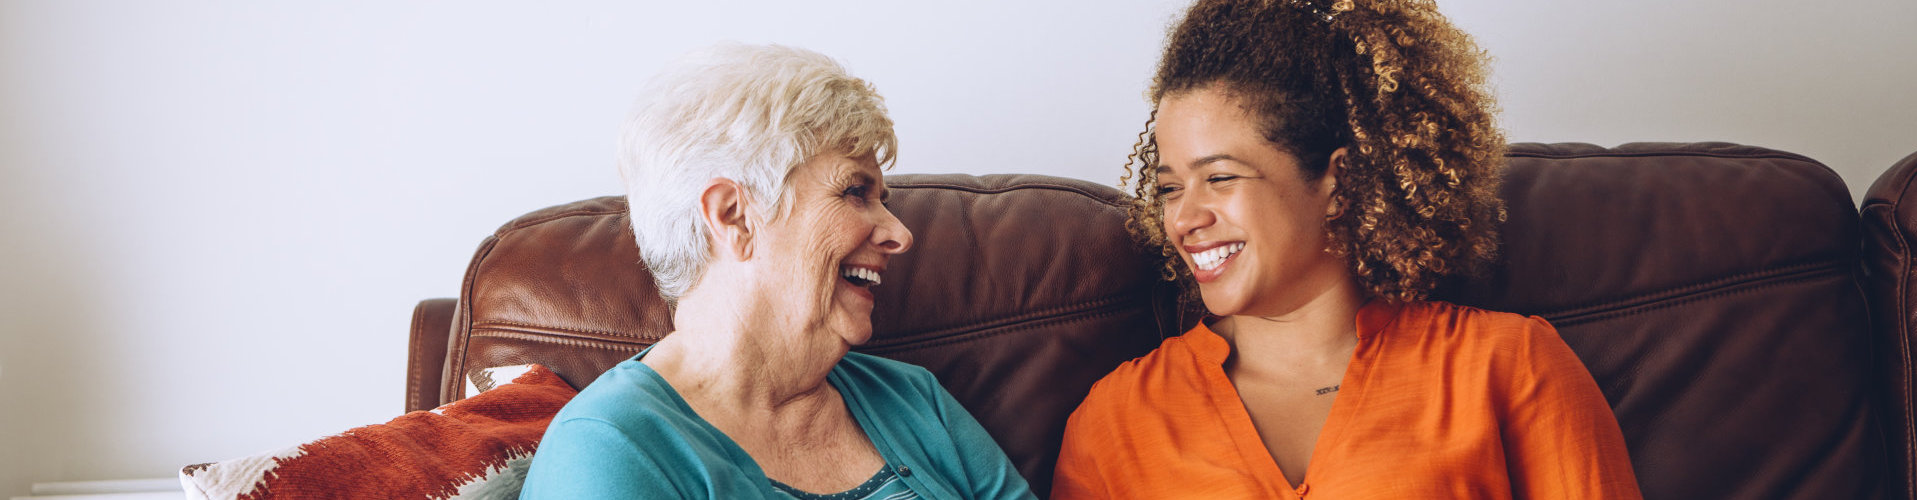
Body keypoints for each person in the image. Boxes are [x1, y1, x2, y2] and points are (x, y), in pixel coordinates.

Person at [1050, 0, 1642, 498]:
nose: (1184, 217)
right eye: (1170, 188)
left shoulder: (1509, 366)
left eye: (1222, 178)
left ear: (1338, 185)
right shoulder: (1115, 420)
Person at [519, 43, 1035, 500]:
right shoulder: (609, 447)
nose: (900, 234)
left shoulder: (913, 400)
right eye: (855, 192)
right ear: (734, 217)